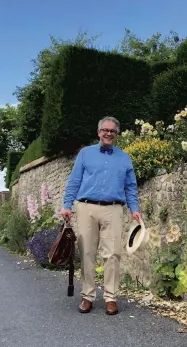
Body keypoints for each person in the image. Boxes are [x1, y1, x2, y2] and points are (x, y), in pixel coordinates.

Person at [61, 116, 141, 315]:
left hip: (113, 209)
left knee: (113, 253)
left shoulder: (124, 158)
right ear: (98, 132)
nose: (108, 133)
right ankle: (87, 296)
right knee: (87, 253)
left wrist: (134, 208)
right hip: (86, 208)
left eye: (112, 131)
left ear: (116, 134)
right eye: (105, 130)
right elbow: (74, 181)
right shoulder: (85, 154)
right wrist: (66, 204)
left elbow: (130, 186)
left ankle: (111, 297)